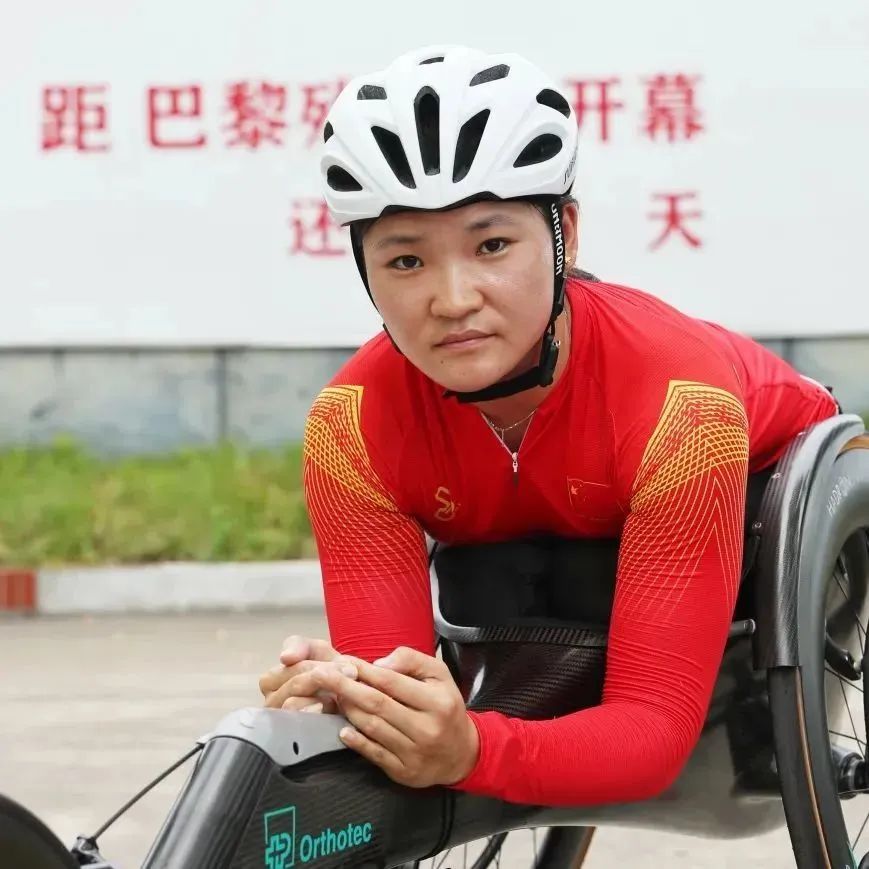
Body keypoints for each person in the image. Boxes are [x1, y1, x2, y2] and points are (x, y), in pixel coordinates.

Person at [259, 44, 839, 806]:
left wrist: (470, 749)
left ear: (563, 230)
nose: (452, 299)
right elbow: (395, 688)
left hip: (765, 487)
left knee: (578, 574)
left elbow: (650, 736)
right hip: (556, 529)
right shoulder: (349, 431)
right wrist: (349, 702)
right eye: (405, 262)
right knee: (491, 582)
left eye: (492, 245)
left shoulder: (683, 410)